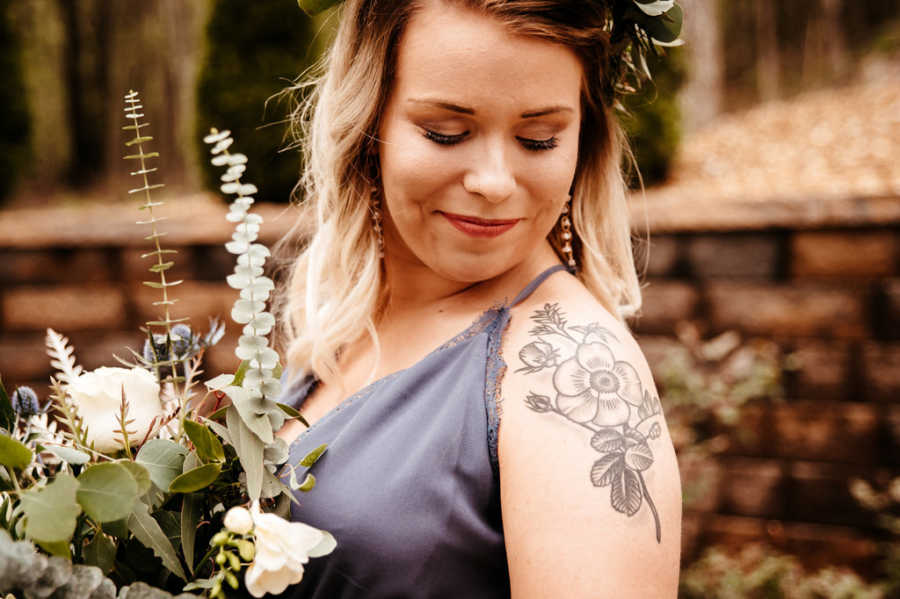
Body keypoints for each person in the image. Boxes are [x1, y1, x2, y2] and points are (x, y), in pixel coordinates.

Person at [274, 0, 683, 596]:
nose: (493, 182)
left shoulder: (573, 367)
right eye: (446, 133)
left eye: (539, 139)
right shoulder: (343, 319)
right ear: (368, 125)